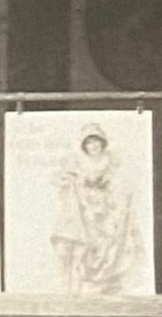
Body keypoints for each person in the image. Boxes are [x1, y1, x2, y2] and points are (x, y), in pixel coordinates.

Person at [50, 123, 142, 294]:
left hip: (104, 206)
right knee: (82, 244)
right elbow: (62, 179)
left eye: (96, 142)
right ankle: (77, 282)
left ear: (102, 143)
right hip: (84, 206)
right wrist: (75, 183)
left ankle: (102, 277)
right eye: (89, 142)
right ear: (84, 145)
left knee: (105, 241)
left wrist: (109, 188)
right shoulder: (77, 161)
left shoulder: (110, 161)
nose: (93, 146)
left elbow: (119, 183)